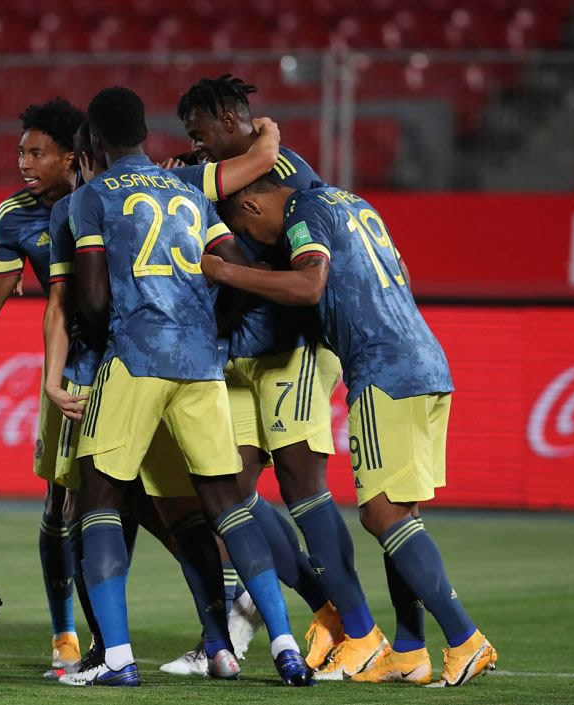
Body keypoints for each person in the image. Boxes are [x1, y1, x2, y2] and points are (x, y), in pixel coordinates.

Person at [58, 86, 310, 687]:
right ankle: (283, 645)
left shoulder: (90, 198)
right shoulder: (189, 187)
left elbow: (92, 299)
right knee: (229, 505)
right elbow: (230, 263)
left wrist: (99, 338)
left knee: (97, 502)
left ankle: (116, 658)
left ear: (93, 141)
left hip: (135, 358)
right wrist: (206, 326)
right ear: (145, 135)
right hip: (200, 366)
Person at [204, 178, 499, 687]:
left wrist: (227, 270)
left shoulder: (301, 214)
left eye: (246, 227)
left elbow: (308, 285)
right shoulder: (347, 200)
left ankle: (466, 638)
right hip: (422, 353)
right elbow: (399, 269)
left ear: (251, 205)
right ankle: (409, 649)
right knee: (401, 510)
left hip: (383, 369)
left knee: (380, 511)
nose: (258, 241)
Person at [176, 74, 384, 678]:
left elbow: (305, 270)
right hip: (240, 352)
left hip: (292, 345)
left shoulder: (289, 175)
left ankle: (360, 625)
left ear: (227, 117)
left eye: (200, 132)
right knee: (231, 492)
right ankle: (328, 611)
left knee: (303, 485)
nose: (197, 144)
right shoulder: (224, 173)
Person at [0, 98, 89, 671]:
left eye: (38, 153)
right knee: (61, 506)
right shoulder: (16, 213)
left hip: (138, 366)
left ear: (71, 156)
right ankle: (66, 636)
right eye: (20, 152)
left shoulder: (105, 198)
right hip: (69, 368)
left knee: (169, 504)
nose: (25, 163)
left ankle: (224, 622)